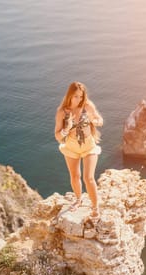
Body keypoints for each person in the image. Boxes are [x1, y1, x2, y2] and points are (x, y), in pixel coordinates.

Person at [54, 82, 104, 219]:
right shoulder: (62, 112)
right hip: (71, 147)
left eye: (81, 96)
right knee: (75, 176)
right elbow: (58, 136)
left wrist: (95, 121)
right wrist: (67, 128)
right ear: (69, 95)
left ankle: (95, 207)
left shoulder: (87, 106)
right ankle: (78, 200)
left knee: (89, 178)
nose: (79, 99)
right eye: (76, 96)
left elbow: (100, 120)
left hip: (89, 146)